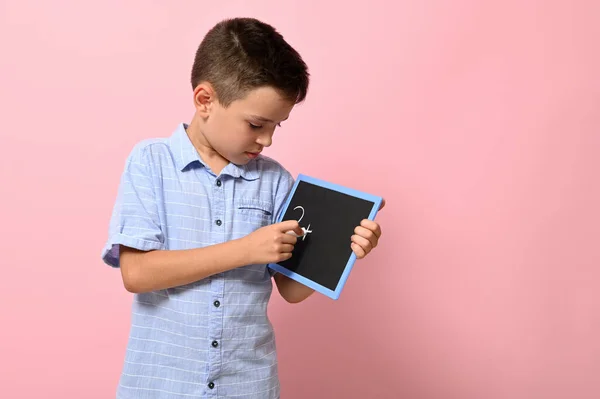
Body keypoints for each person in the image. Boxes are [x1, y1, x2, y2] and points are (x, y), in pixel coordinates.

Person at [101, 17, 384, 398]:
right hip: (161, 385)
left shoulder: (276, 182)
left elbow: (290, 289)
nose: (266, 140)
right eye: (255, 124)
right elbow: (136, 273)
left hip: (247, 385)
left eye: (276, 127)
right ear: (205, 101)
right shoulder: (152, 162)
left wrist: (342, 250)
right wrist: (245, 250)